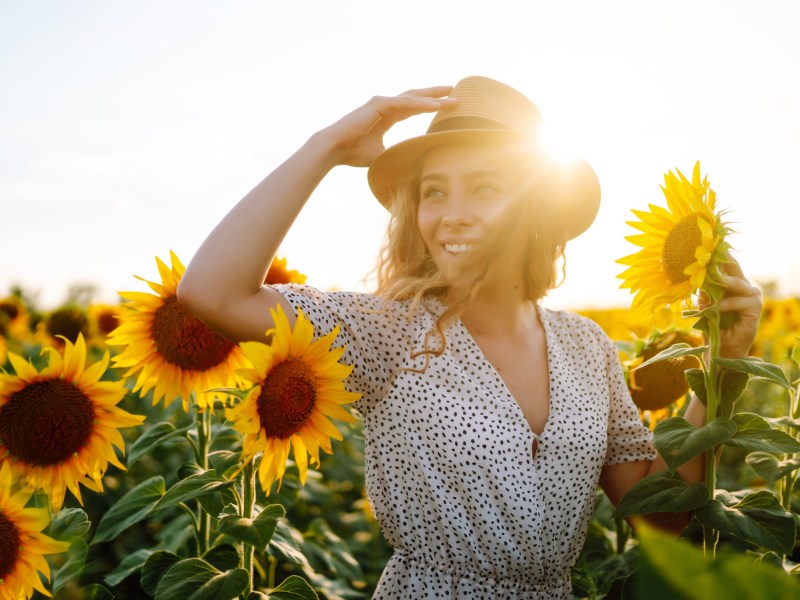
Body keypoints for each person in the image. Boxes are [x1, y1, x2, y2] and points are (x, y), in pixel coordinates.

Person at [177, 76, 762, 599]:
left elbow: (659, 517)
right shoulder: (387, 330)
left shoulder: (588, 348)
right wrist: (326, 147)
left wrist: (722, 362)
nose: (451, 214)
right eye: (434, 191)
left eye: (485, 188)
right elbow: (213, 292)